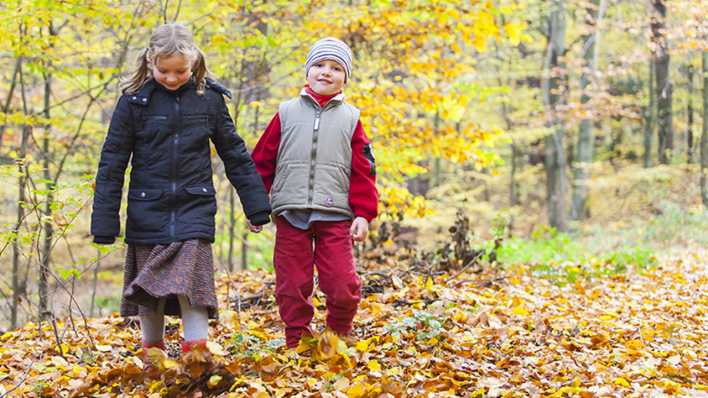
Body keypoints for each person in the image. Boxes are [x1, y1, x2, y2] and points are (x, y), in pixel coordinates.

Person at [90, 23, 270, 356]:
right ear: (150, 62)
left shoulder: (210, 100)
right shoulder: (133, 102)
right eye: (164, 71)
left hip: (194, 206)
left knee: (194, 283)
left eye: (181, 71)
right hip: (147, 209)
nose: (172, 78)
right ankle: (153, 355)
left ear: (194, 63)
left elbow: (235, 154)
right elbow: (112, 163)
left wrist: (256, 206)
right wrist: (104, 221)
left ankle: (196, 356)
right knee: (150, 292)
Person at [252, 37, 378, 349]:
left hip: (334, 214)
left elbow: (364, 169)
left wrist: (363, 213)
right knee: (292, 283)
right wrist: (255, 205)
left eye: (336, 68)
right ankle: (297, 340)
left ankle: (336, 334)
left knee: (342, 285)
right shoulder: (286, 112)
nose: (326, 72)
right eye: (319, 65)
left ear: (345, 78)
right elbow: (262, 161)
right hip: (291, 213)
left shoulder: (351, 118)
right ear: (307, 72)